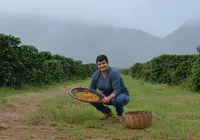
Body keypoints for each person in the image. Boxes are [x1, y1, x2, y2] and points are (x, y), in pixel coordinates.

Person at [89, 54, 130, 122]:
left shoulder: (114, 73)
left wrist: (109, 98)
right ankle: (107, 112)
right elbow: (91, 90)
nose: (102, 65)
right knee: (92, 98)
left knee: (117, 100)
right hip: (106, 94)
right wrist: (82, 90)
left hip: (121, 94)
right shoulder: (96, 75)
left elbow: (117, 90)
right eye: (99, 64)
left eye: (104, 63)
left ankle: (119, 115)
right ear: (97, 65)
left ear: (107, 63)